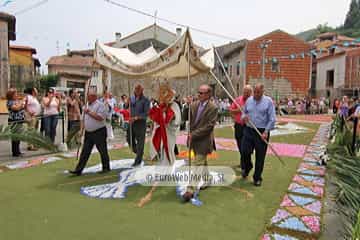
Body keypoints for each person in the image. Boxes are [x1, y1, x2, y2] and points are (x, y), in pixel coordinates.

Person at [241, 84, 276, 187]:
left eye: (258, 92)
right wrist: (244, 117)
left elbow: (272, 119)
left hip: (262, 131)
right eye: (255, 92)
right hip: (249, 129)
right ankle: (248, 167)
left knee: (260, 155)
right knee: (244, 151)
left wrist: (266, 131)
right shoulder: (249, 100)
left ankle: (257, 178)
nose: (256, 94)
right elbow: (244, 112)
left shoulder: (268, 101)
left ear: (262, 92)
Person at [69, 90, 110, 176]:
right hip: (88, 132)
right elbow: (83, 119)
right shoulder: (86, 105)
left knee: (102, 150)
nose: (87, 97)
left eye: (89, 96)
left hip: (99, 131)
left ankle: (106, 167)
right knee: (85, 151)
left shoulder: (100, 105)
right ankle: (78, 170)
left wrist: (89, 112)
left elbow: (100, 118)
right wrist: (81, 130)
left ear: (94, 97)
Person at [187, 84, 218, 192]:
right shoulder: (193, 105)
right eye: (198, 92)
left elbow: (209, 126)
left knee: (197, 164)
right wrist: (190, 136)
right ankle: (208, 179)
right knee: (202, 162)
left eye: (201, 93)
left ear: (208, 94)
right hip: (194, 140)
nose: (199, 95)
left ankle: (191, 189)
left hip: (204, 140)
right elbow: (191, 123)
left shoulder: (213, 108)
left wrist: (194, 134)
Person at [149, 84, 181, 165]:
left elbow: (175, 119)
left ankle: (167, 171)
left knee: (167, 152)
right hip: (159, 133)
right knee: (159, 150)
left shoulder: (174, 105)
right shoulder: (159, 106)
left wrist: (169, 114)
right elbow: (153, 116)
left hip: (169, 133)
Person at [229, 85, 252, 170]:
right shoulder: (238, 100)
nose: (246, 94)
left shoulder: (253, 101)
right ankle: (244, 162)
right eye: (244, 92)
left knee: (246, 147)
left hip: (249, 126)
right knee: (240, 144)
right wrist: (238, 110)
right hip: (239, 126)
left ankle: (245, 164)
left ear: (251, 93)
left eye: (248, 93)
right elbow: (231, 110)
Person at [127, 84, 150, 167]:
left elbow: (146, 113)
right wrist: (127, 102)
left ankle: (138, 160)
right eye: (135, 89)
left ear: (142, 90)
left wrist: (136, 117)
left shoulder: (146, 100)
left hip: (140, 123)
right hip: (131, 123)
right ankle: (139, 152)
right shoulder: (132, 98)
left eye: (138, 89)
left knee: (140, 142)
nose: (136, 90)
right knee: (129, 139)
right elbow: (126, 107)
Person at [6, 88, 26, 157]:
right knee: (15, 137)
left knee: (18, 136)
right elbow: (16, 108)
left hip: (20, 120)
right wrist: (22, 102)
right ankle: (15, 152)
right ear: (11, 95)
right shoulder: (10, 102)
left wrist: (21, 104)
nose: (17, 95)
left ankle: (18, 151)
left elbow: (22, 107)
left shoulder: (16, 101)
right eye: (15, 94)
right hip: (14, 121)